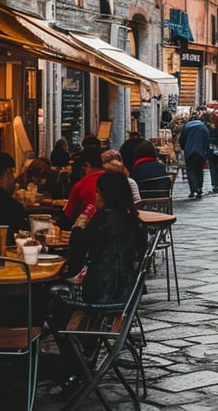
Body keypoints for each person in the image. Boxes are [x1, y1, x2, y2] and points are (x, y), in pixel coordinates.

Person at [45, 171, 148, 401]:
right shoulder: (135, 222)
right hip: (125, 294)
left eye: (98, 192)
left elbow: (77, 251)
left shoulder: (103, 219)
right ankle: (85, 352)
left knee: (52, 299)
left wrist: (79, 226)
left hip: (102, 294)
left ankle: (77, 365)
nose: (96, 197)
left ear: (105, 194)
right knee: (62, 296)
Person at [62, 147, 104, 229]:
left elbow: (68, 216)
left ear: (88, 165)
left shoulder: (81, 185)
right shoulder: (114, 180)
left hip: (87, 233)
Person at [178, 112, 211, 199]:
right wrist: (207, 152)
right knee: (199, 170)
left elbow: (182, 139)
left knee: (191, 170)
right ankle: (199, 188)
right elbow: (207, 140)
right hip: (200, 152)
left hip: (189, 152)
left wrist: (183, 148)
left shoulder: (187, 126)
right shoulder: (203, 127)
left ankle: (193, 189)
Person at [206, 111, 218, 194]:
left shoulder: (210, 127)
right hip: (216, 149)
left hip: (212, 149)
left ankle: (215, 184)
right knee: (214, 167)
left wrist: (210, 140)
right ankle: (215, 184)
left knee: (213, 167)